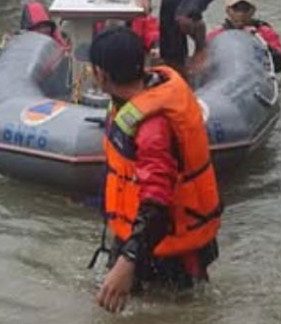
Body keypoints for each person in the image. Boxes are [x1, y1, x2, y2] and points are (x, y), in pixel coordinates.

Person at [90, 27, 221, 313]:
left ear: (101, 74)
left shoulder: (153, 128)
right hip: (146, 237)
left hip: (165, 250)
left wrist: (127, 263)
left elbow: (157, 205)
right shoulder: (137, 100)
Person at [208, 0, 281, 73]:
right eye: (236, 8)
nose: (241, 13)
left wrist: (260, 42)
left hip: (256, 77)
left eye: (245, 8)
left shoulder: (265, 32)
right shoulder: (215, 35)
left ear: (253, 11)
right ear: (228, 11)